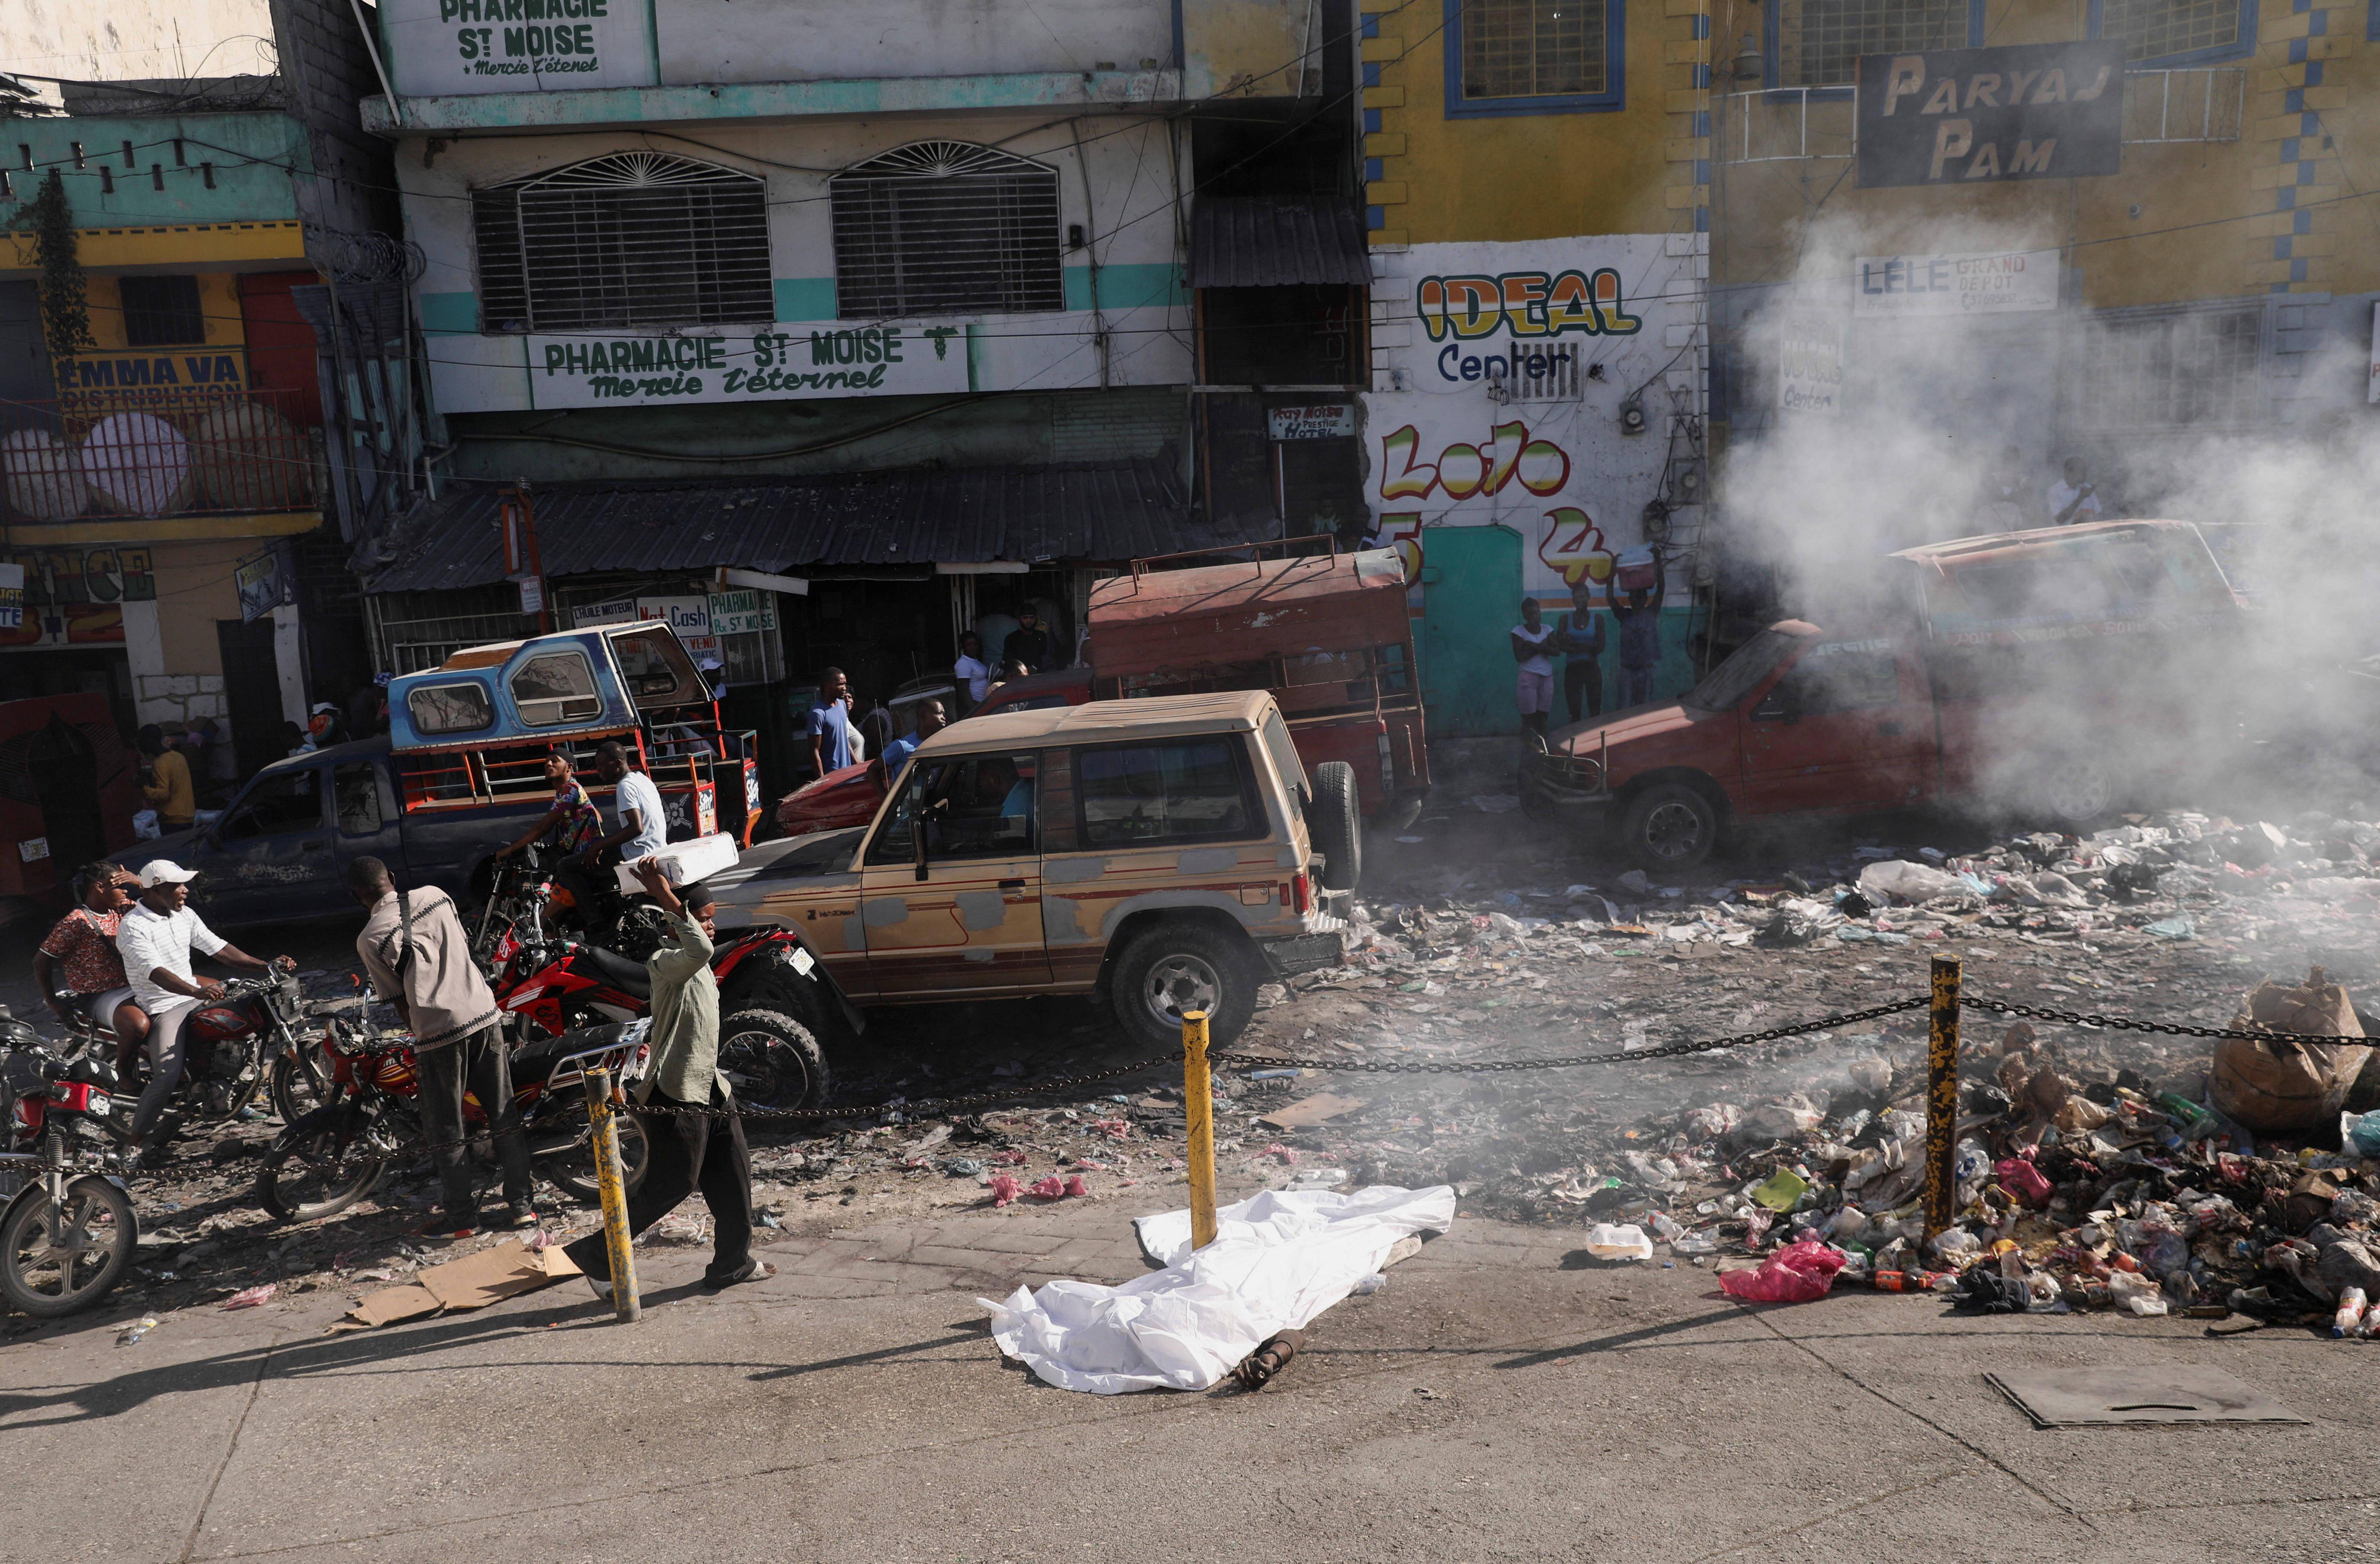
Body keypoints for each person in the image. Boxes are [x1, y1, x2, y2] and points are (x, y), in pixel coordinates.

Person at [564, 861, 773, 1295]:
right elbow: (699, 949)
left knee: (734, 1176)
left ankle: (732, 1264)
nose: (712, 926)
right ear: (677, 924)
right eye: (704, 918)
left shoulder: (692, 962)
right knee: (671, 1186)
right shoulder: (666, 962)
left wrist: (674, 899)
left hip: (712, 1089)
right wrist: (663, 892)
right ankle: (597, 1257)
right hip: (675, 1095)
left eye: (713, 918)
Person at [349, 855, 532, 1235]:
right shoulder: (436, 896)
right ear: (393, 878)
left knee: (448, 1129)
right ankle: (523, 1209)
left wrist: (419, 1033)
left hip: (439, 1034)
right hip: (484, 1014)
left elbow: (400, 1002)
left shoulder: (370, 938)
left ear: (357, 896)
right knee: (503, 1115)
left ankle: (463, 1220)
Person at [116, 861, 293, 1165]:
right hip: (165, 1005)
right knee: (167, 1075)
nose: (186, 890)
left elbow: (221, 950)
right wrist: (194, 991)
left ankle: (231, 1093)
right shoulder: (134, 926)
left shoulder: (184, 914)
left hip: (193, 994)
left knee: (246, 1025)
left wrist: (267, 966)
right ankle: (134, 1142)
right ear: (156, 888)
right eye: (178, 885)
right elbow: (155, 972)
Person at [35, 862, 148, 1075]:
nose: (126, 890)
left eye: (127, 885)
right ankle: (124, 1075)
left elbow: (161, 907)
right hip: (99, 995)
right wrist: (53, 1002)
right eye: (119, 885)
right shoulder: (76, 922)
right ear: (99, 887)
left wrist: (140, 882)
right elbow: (41, 961)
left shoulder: (124, 908)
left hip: (136, 985)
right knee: (137, 1026)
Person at [1611, 552, 1667, 710]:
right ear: (1630, 600)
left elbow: (1661, 589)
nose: (1637, 600)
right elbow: (1610, 597)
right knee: (1624, 709)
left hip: (1646, 669)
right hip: (1627, 670)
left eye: (1640, 597)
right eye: (1634, 598)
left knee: (1644, 710)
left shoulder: (1651, 613)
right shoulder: (1624, 615)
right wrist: (1613, 570)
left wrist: (1659, 562)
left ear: (1645, 600)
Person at [1555, 579, 1607, 725]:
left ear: (1588, 597)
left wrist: (1573, 643)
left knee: (1595, 712)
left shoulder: (1598, 619)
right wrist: (1589, 646)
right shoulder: (1565, 619)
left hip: (1592, 668)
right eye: (1576, 597)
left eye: (1582, 596)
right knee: (1574, 713)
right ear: (1573, 599)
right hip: (1573, 670)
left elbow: (1601, 647)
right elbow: (1560, 645)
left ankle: (1596, 743)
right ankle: (1575, 745)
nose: (1579, 600)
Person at [1511, 599, 1558, 738]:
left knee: (1543, 720)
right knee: (1528, 720)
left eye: (1537, 612)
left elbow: (1557, 651)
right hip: (1528, 678)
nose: (1534, 616)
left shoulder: (1547, 629)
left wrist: (1532, 646)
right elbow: (1520, 657)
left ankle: (1543, 753)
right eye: (1530, 613)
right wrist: (1542, 647)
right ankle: (1527, 753)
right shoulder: (1518, 632)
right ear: (1524, 615)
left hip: (1547, 678)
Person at [137, 725, 195, 833]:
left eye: (140, 742)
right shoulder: (178, 756)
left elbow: (163, 794)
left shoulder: (160, 763)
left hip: (173, 822)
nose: (139, 746)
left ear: (148, 742)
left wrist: (143, 787)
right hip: (188, 817)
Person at [876, 698, 945, 780]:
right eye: (939, 713)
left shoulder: (943, 744)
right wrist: (885, 794)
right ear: (923, 716)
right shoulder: (903, 746)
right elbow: (873, 769)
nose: (943, 718)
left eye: (944, 714)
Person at [806, 668, 856, 777]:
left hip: (847, 772)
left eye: (845, 684)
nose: (844, 688)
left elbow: (843, 737)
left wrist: (856, 762)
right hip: (832, 775)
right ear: (828, 686)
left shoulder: (842, 705)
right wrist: (822, 780)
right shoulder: (817, 713)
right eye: (840, 684)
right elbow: (814, 751)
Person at [2048, 456, 2103, 525]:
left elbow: (2099, 514)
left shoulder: (2087, 488)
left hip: (2091, 533)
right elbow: (2060, 519)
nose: (2085, 474)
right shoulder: (2055, 491)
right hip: (2067, 534)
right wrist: (2080, 498)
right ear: (2068, 473)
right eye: (2081, 471)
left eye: (2085, 471)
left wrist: (2089, 516)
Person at [1001, 607, 1052, 675]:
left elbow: (1046, 658)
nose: (1029, 621)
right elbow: (1008, 663)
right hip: (1020, 678)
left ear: (1036, 619)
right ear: (1020, 619)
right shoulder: (1012, 639)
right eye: (1025, 618)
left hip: (1041, 676)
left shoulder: (1041, 636)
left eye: (1032, 618)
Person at [954, 633, 992, 713]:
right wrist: (974, 710)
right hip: (975, 703)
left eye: (975, 644)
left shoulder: (975, 661)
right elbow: (965, 690)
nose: (973, 647)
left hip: (983, 702)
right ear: (963, 646)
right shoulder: (963, 663)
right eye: (969, 645)